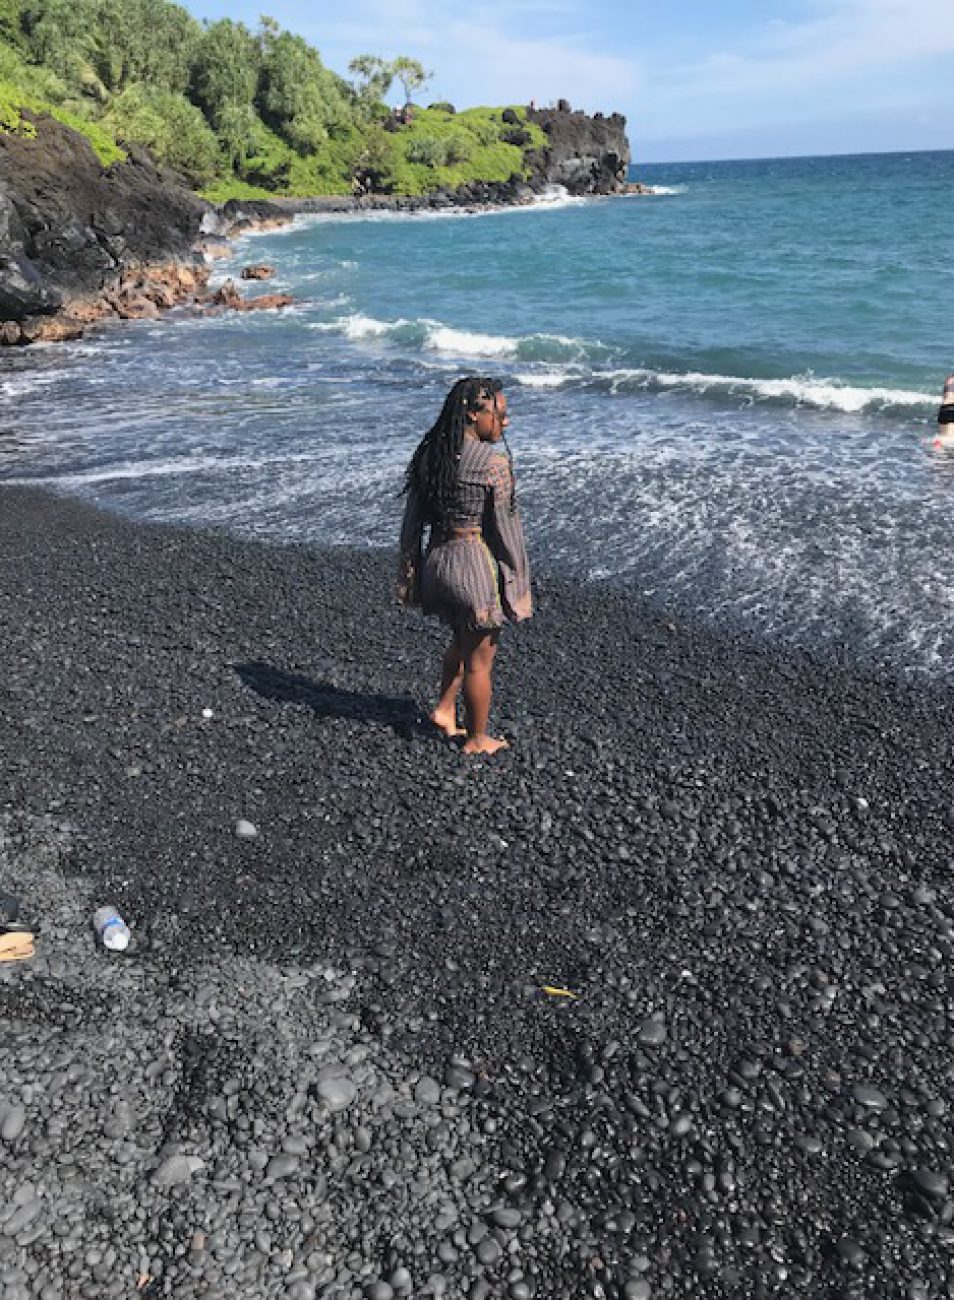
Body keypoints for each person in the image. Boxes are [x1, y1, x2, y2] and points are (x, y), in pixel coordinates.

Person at [397, 377, 532, 754]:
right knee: (480, 660)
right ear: (473, 414)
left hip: (438, 563)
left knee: (461, 637)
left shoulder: (431, 457)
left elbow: (411, 524)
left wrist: (410, 572)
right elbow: (507, 534)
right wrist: (515, 584)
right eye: (500, 415)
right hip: (473, 566)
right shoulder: (493, 465)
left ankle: (443, 709)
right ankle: (476, 739)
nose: (506, 423)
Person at [935, 373, 954, 445]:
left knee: (943, 438)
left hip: (945, 407)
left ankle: (936, 453)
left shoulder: (949, 379)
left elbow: (945, 396)